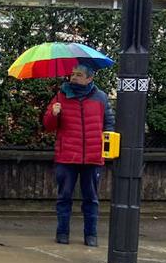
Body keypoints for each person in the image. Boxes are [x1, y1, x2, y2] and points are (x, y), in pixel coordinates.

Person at [43, 63, 115, 247]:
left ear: (90, 78)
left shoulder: (101, 98)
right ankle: (62, 233)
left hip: (92, 157)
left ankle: (91, 235)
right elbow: (48, 125)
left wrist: (106, 150)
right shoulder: (60, 96)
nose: (74, 77)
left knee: (91, 199)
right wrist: (54, 113)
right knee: (64, 197)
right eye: (72, 74)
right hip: (67, 157)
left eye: (79, 74)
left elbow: (109, 124)